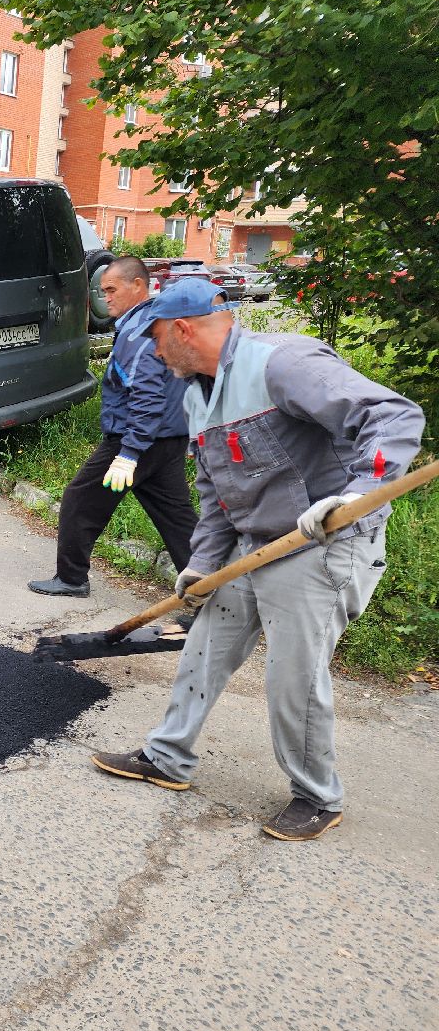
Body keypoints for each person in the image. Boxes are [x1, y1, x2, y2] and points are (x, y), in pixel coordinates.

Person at [91, 278, 425, 841]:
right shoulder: (198, 394)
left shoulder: (282, 364)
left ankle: (317, 796)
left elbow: (392, 417)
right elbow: (218, 493)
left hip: (321, 544)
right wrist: (200, 564)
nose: (151, 351)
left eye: (153, 339)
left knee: (292, 674)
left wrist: (357, 493)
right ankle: (167, 757)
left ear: (181, 329)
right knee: (205, 646)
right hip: (256, 546)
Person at [29, 257, 198, 598]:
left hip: (136, 440)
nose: (106, 297)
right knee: (178, 521)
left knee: (79, 500)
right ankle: (214, 596)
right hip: (168, 438)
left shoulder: (138, 334)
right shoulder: (156, 323)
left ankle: (72, 578)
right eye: (103, 290)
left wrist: (129, 453)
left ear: (138, 285)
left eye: (112, 289)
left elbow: (148, 396)